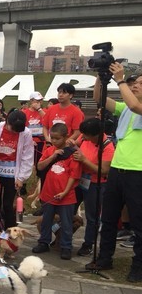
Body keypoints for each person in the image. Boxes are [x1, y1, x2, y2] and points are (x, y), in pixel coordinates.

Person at [85, 64, 142, 282]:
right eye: (133, 83)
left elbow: (137, 106)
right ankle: (104, 257)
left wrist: (120, 80)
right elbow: (100, 98)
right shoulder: (126, 108)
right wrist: (102, 77)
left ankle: (138, 265)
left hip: (138, 172)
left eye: (140, 83)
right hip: (118, 170)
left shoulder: (134, 106)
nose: (135, 85)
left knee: (139, 222)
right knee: (108, 217)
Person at [32, 123, 82, 260]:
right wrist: (53, 156)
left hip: (66, 195)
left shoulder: (72, 154)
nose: (54, 141)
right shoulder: (50, 150)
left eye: (57, 138)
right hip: (48, 193)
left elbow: (74, 175)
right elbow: (40, 166)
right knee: (46, 220)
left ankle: (66, 246)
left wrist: (65, 192)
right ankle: (44, 242)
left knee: (66, 222)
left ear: (66, 137)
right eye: (52, 138)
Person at [0, 110, 34, 231]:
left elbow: (27, 155)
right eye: (13, 129)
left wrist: (21, 178)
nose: (14, 132)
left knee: (8, 204)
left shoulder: (26, 133)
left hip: (13, 173)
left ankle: (10, 230)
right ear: (7, 122)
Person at [72, 118, 114, 256]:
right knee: (68, 209)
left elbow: (104, 170)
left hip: (96, 183)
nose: (82, 137)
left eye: (86, 135)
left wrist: (84, 160)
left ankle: (88, 243)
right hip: (80, 179)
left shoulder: (107, 146)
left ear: (95, 135)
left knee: (92, 216)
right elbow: (75, 144)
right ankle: (63, 237)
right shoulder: (84, 136)